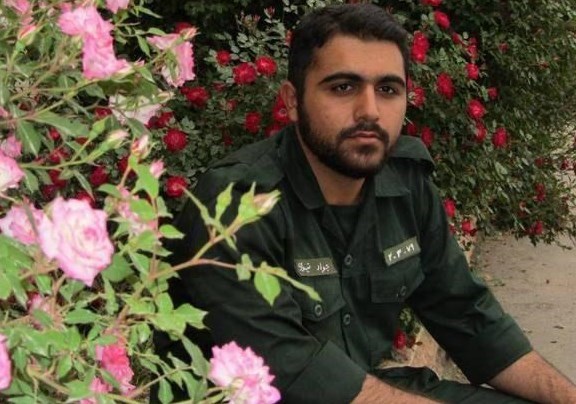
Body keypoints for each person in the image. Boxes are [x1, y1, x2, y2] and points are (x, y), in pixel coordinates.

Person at [157, 4, 576, 403]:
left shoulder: (406, 185)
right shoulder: (235, 204)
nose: (370, 111)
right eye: (343, 87)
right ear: (292, 101)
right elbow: (292, 372)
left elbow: (471, 319)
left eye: (388, 89)